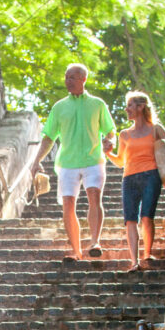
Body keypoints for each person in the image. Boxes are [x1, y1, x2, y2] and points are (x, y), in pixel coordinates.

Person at [31, 63, 116, 262]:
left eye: (72, 77)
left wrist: (110, 141)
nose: (67, 81)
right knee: (68, 204)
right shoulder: (59, 107)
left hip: (93, 160)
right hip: (67, 163)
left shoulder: (97, 104)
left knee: (94, 196)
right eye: (66, 77)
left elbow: (110, 131)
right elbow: (49, 137)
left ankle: (95, 242)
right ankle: (76, 252)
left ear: (83, 79)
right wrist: (36, 160)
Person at [103, 91, 165, 271]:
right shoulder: (125, 134)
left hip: (151, 175)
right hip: (129, 178)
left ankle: (147, 253)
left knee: (147, 217)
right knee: (130, 220)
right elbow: (121, 162)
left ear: (141, 107)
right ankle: (134, 261)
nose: (126, 109)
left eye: (130, 106)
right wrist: (108, 153)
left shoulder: (155, 129)